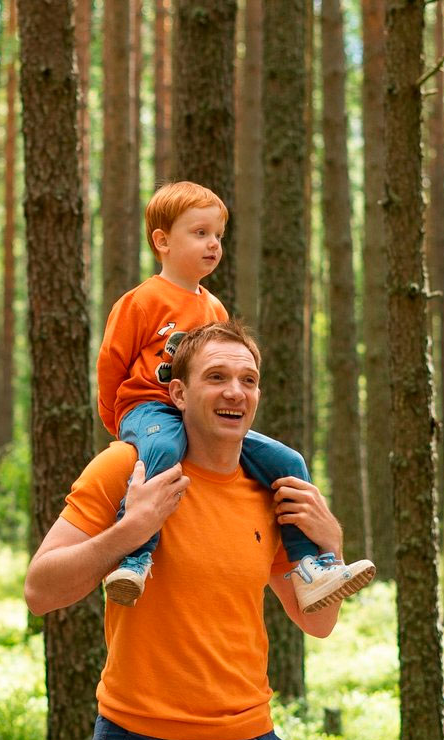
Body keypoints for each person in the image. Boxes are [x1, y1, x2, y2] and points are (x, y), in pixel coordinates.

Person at [26, 320, 371, 740]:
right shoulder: (127, 470)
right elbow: (40, 591)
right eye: (216, 377)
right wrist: (131, 529)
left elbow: (318, 622)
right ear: (178, 393)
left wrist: (330, 545)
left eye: (248, 380)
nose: (235, 392)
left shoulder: (271, 491)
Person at [96, 181, 374, 613]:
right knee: (164, 447)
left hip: (200, 416)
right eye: (200, 233)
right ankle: (135, 557)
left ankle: (311, 568)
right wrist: (118, 422)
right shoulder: (141, 301)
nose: (213, 245)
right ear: (163, 241)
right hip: (148, 409)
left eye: (218, 236)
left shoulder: (215, 311)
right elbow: (112, 362)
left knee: (289, 462)